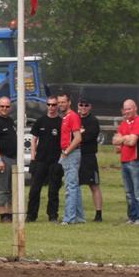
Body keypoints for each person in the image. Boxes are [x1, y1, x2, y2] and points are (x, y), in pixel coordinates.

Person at [112, 98, 139, 224]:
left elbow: (133, 141)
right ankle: (132, 216)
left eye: (129, 108)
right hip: (124, 160)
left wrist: (123, 139)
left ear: (135, 108)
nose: (127, 111)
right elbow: (115, 142)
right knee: (129, 192)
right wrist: (125, 139)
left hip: (136, 160)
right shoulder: (124, 123)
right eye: (125, 109)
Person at [27, 97, 63, 222]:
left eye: (54, 105)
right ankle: (31, 215)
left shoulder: (61, 122)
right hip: (40, 160)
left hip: (55, 161)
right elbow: (34, 140)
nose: (51, 107)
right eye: (49, 105)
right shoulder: (40, 121)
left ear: (57, 106)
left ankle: (52, 215)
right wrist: (33, 158)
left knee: (53, 190)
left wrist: (62, 159)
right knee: (34, 190)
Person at [57, 92, 85, 224]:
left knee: (70, 186)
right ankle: (79, 216)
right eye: (59, 102)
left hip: (71, 154)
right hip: (67, 153)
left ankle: (69, 218)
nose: (61, 104)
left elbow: (78, 138)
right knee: (75, 186)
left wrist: (67, 151)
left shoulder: (72, 116)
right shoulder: (65, 117)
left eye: (63, 102)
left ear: (69, 102)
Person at [77, 99, 104, 222]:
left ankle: (98, 214)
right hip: (75, 155)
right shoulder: (74, 118)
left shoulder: (93, 121)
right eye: (81, 105)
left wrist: (78, 135)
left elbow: (87, 137)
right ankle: (76, 212)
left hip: (88, 157)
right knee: (74, 185)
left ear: (90, 107)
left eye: (86, 105)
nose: (83, 107)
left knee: (94, 185)